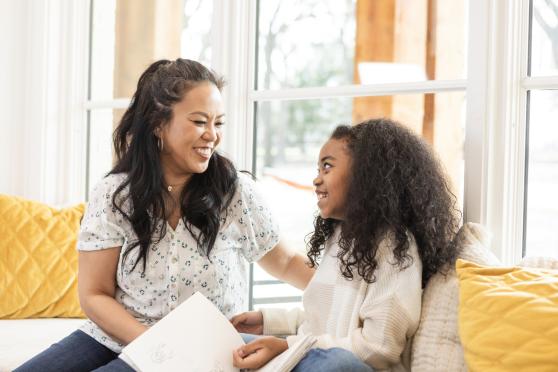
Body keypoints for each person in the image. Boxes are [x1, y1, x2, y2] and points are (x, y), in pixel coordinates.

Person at [15, 58, 314, 372]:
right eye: (200, 122)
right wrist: (155, 347)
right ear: (158, 123)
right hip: (117, 334)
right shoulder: (115, 194)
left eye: (219, 123)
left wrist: (352, 290)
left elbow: (285, 261)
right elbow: (94, 293)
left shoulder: (235, 192)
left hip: (205, 347)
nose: (212, 134)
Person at [231, 118, 461, 372]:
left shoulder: (395, 248)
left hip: (350, 366)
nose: (316, 180)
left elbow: (378, 349)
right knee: (230, 343)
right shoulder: (341, 237)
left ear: (367, 174)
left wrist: (289, 348)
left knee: (335, 362)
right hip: (313, 357)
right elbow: (319, 322)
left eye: (327, 167)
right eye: (318, 170)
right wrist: (268, 322)